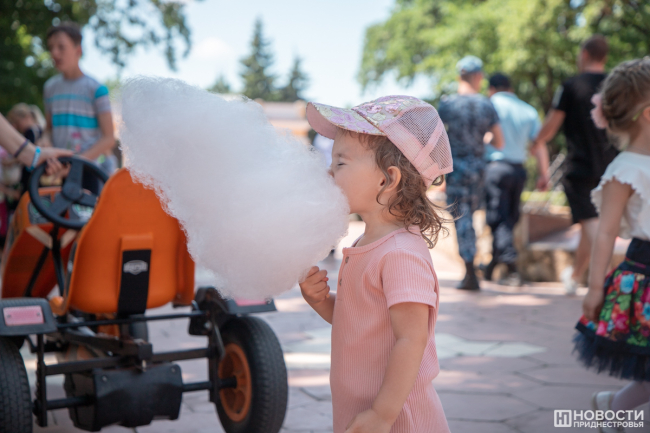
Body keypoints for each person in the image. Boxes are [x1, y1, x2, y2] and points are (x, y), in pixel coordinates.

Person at [301, 96, 452, 433]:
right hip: (362, 410)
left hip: (398, 418)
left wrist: (382, 415)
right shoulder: (365, 243)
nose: (329, 172)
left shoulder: (400, 254)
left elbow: (411, 339)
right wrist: (320, 300)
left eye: (340, 163)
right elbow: (359, 321)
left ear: (387, 179)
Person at [571, 57, 650, 433]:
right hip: (644, 275)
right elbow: (606, 233)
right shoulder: (626, 169)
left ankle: (613, 407)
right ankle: (615, 409)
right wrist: (595, 288)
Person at [535, 35, 618, 295]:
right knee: (588, 223)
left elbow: (552, 124)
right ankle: (575, 276)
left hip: (580, 167)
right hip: (613, 166)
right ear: (604, 57)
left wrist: (538, 140)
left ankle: (608, 280)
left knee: (592, 223)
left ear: (584, 54)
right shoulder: (616, 86)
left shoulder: (571, 85)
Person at [438, 56, 504, 291]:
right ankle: (471, 269)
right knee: (471, 216)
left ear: (460, 76)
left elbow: (436, 139)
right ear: (478, 77)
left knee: (461, 218)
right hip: (477, 169)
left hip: (455, 169)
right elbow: (499, 141)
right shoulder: (486, 105)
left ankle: (469, 270)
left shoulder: (447, 104)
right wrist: (481, 140)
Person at [482, 73, 550, 285]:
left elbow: (481, 137)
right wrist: (544, 174)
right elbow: (539, 144)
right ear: (510, 88)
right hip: (518, 171)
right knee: (509, 218)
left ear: (492, 89)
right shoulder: (528, 110)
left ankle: (511, 268)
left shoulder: (489, 106)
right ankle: (492, 265)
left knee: (498, 218)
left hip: (495, 168)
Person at [43, 22, 116, 190]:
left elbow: (108, 138)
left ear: (78, 50)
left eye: (61, 47)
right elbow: (48, 128)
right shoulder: (49, 88)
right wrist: (44, 141)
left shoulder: (96, 89)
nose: (54, 53)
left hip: (88, 171)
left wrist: (76, 163)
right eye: (51, 47)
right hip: (58, 169)